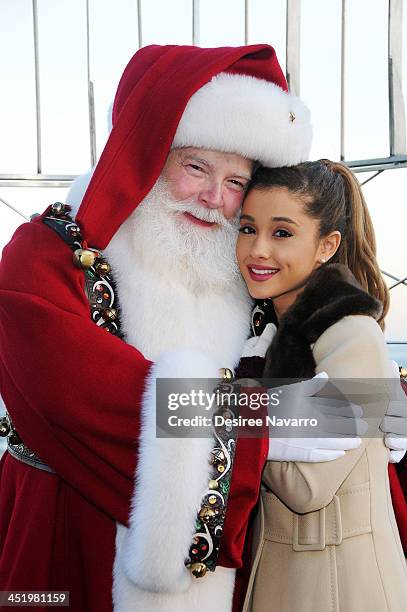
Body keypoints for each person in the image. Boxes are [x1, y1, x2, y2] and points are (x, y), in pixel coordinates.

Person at [0, 44, 404, 612]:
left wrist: (385, 402)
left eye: (237, 181)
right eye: (195, 167)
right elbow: (72, 394)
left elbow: (326, 335)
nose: (216, 200)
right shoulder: (46, 257)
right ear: (146, 155)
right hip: (61, 554)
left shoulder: (242, 273)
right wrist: (259, 425)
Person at [235, 160, 407, 611]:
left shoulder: (351, 333)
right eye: (247, 228)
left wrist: (237, 412)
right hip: (288, 575)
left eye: (282, 233)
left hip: (339, 585)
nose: (258, 249)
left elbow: (306, 487)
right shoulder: (267, 335)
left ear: (327, 246)